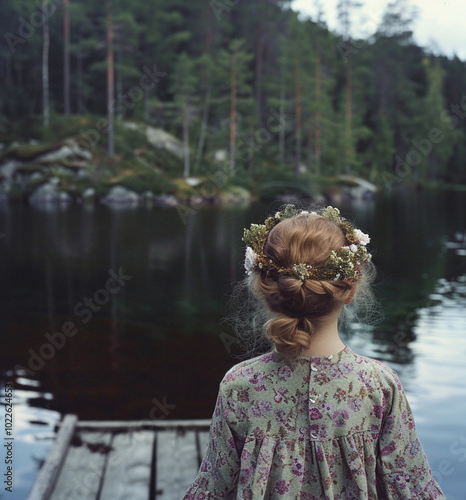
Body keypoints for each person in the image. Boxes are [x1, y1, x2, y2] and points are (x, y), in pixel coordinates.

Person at [183, 204, 446, 499]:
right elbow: (410, 486)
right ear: (350, 289)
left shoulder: (240, 386)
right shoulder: (378, 385)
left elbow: (214, 488)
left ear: (266, 290)